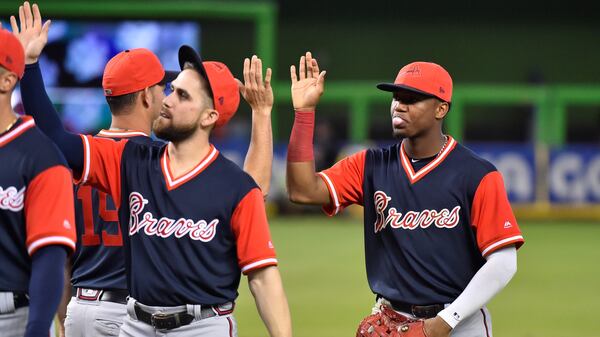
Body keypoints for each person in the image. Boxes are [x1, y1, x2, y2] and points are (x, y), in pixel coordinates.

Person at [15, 4, 289, 337]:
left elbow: (262, 271)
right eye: (169, 88)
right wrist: (28, 65)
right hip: (133, 320)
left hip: (188, 322)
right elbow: (55, 137)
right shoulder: (134, 158)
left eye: (181, 94)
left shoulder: (224, 182)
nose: (168, 99)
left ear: (209, 117)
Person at [286, 52, 524, 337]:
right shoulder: (371, 166)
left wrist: (445, 321)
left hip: (460, 321)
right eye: (396, 98)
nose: (399, 107)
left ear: (441, 109)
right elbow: (302, 190)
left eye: (411, 99)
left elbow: (504, 260)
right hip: (391, 323)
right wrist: (304, 114)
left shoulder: (477, 174)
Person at [0, 27, 76, 337]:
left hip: (13, 317)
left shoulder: (42, 157)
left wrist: (36, 331)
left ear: (7, 80)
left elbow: (49, 258)